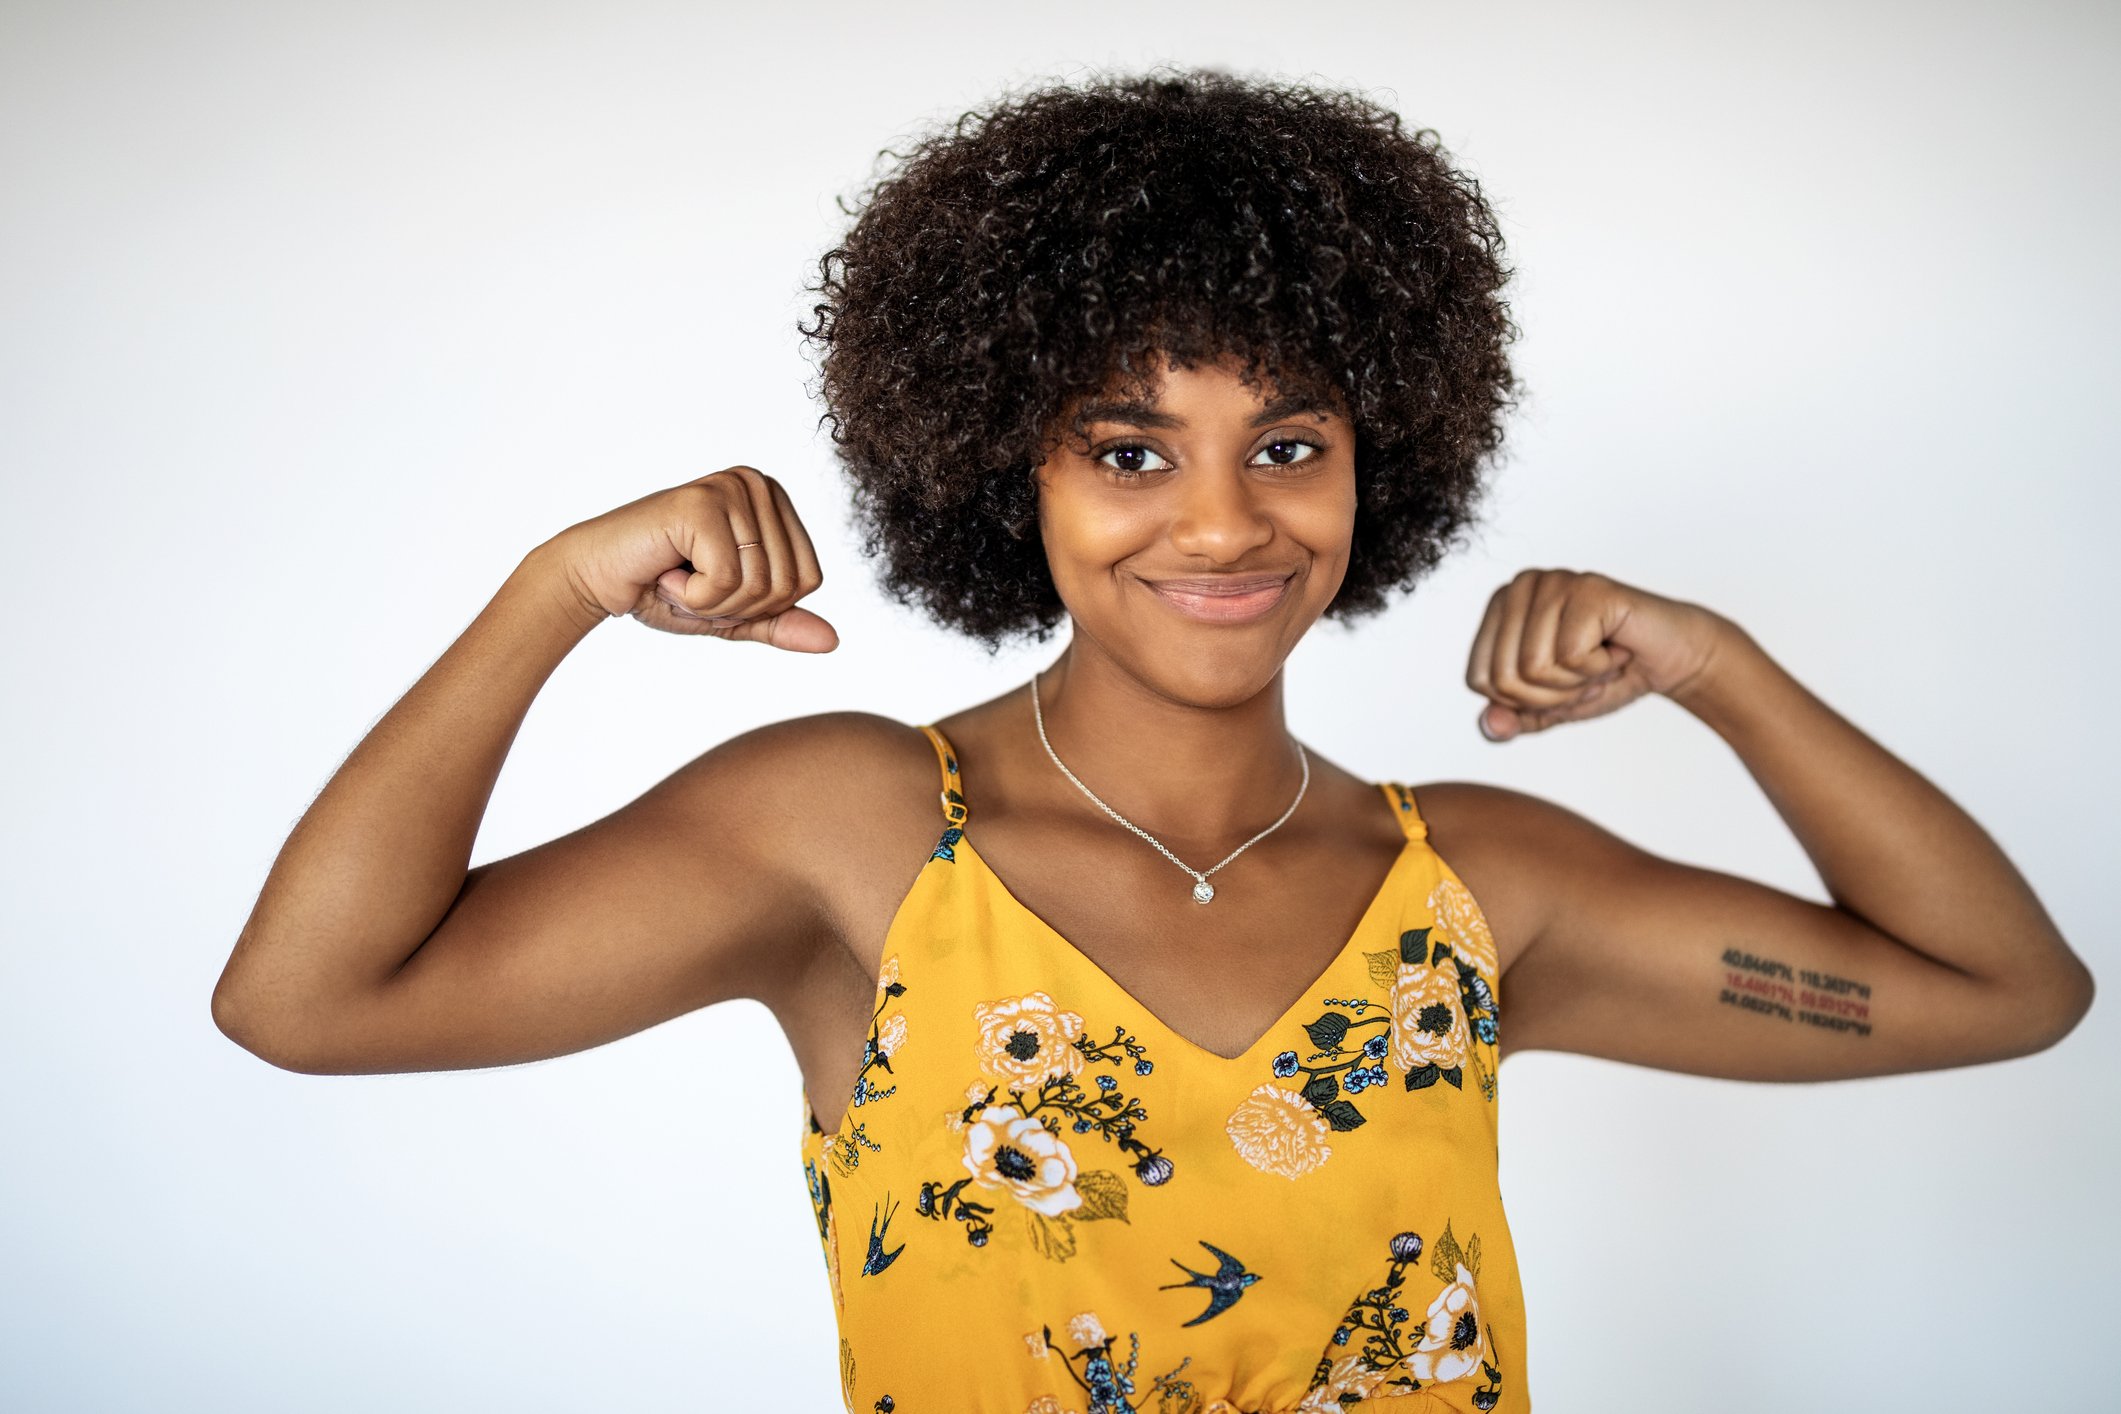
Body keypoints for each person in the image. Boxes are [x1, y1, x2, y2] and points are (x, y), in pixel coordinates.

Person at [210, 68, 2094, 1414]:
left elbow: (2002, 989)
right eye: (1127, 449)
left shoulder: (1472, 887)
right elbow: (308, 1001)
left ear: (1377, 465)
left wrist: (1721, 668)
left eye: (1288, 443)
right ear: (996, 467)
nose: (1219, 521)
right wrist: (551, 590)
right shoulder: (856, 836)